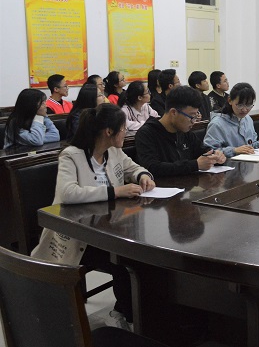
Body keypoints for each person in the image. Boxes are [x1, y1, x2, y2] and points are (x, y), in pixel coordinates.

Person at [31, 103, 155, 331]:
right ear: (109, 131)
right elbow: (68, 193)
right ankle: (123, 314)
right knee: (124, 262)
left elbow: (133, 167)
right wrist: (116, 191)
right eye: (123, 129)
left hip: (108, 228)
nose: (125, 132)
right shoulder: (71, 155)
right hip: (78, 236)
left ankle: (134, 313)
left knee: (139, 258)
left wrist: (143, 175)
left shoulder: (114, 152)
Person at [135, 86, 225, 177]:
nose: (193, 121)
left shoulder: (184, 131)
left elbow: (202, 150)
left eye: (196, 116)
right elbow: (152, 168)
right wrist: (195, 165)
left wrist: (215, 156)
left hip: (188, 183)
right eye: (191, 116)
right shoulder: (146, 133)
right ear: (173, 112)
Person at [204, 82, 259, 157]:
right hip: (228, 163)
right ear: (230, 100)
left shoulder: (247, 119)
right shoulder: (217, 124)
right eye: (240, 105)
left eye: (248, 105)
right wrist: (234, 150)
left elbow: (250, 144)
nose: (244, 109)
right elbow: (209, 151)